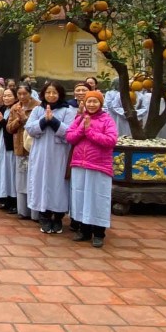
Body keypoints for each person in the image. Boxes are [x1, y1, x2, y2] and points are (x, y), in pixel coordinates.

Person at [66, 90, 118, 248]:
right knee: (80, 198)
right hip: (79, 164)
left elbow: (111, 140)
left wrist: (90, 131)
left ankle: (99, 233)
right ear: (84, 103)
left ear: (101, 104)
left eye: (95, 101)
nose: (92, 104)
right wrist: (82, 128)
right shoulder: (79, 118)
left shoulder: (107, 120)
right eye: (89, 101)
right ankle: (84, 230)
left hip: (99, 166)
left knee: (98, 199)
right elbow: (69, 137)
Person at [25, 81, 78, 234]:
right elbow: (29, 128)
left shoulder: (68, 111)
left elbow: (70, 132)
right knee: (41, 181)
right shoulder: (37, 109)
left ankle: (58, 217)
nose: (51, 95)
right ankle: (44, 216)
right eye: (48, 92)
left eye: (55, 93)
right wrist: (44, 120)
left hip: (60, 154)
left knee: (58, 184)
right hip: (40, 153)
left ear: (60, 94)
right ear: (43, 94)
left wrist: (53, 121)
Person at [6, 83, 40, 220]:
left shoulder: (38, 107)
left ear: (30, 93)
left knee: (34, 180)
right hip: (20, 147)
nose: (22, 97)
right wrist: (18, 121)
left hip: (33, 147)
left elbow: (38, 127)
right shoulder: (15, 107)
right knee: (21, 180)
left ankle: (36, 213)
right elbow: (9, 128)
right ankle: (23, 211)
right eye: (19, 94)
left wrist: (25, 120)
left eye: (24, 94)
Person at [0, 88, 18, 213]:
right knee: (4, 171)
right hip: (3, 144)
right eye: (5, 96)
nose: (6, 98)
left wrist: (1, 121)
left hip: (12, 144)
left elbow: (12, 129)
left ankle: (15, 201)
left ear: (15, 97)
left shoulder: (17, 109)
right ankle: (5, 197)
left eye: (9, 96)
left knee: (12, 172)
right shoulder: (2, 109)